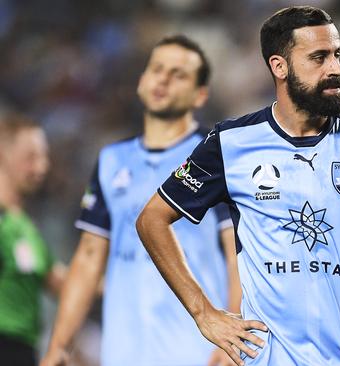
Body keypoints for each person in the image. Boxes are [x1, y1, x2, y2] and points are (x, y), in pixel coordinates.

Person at [136, 6, 340, 366]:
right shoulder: (231, 144)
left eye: (337, 55)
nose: (335, 68)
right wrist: (203, 312)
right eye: (318, 58)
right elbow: (152, 219)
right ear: (280, 66)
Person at [40, 35, 241, 366]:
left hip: (197, 351)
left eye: (178, 74)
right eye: (157, 69)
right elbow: (89, 257)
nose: (163, 78)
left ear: (200, 94)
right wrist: (60, 345)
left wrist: (232, 333)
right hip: (123, 352)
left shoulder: (215, 155)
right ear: (141, 81)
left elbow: (237, 253)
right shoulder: (111, 160)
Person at [0, 114, 66, 366]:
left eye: (44, 157)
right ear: (3, 155)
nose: (42, 167)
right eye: (31, 157)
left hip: (24, 350)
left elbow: (61, 281)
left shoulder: (25, 227)